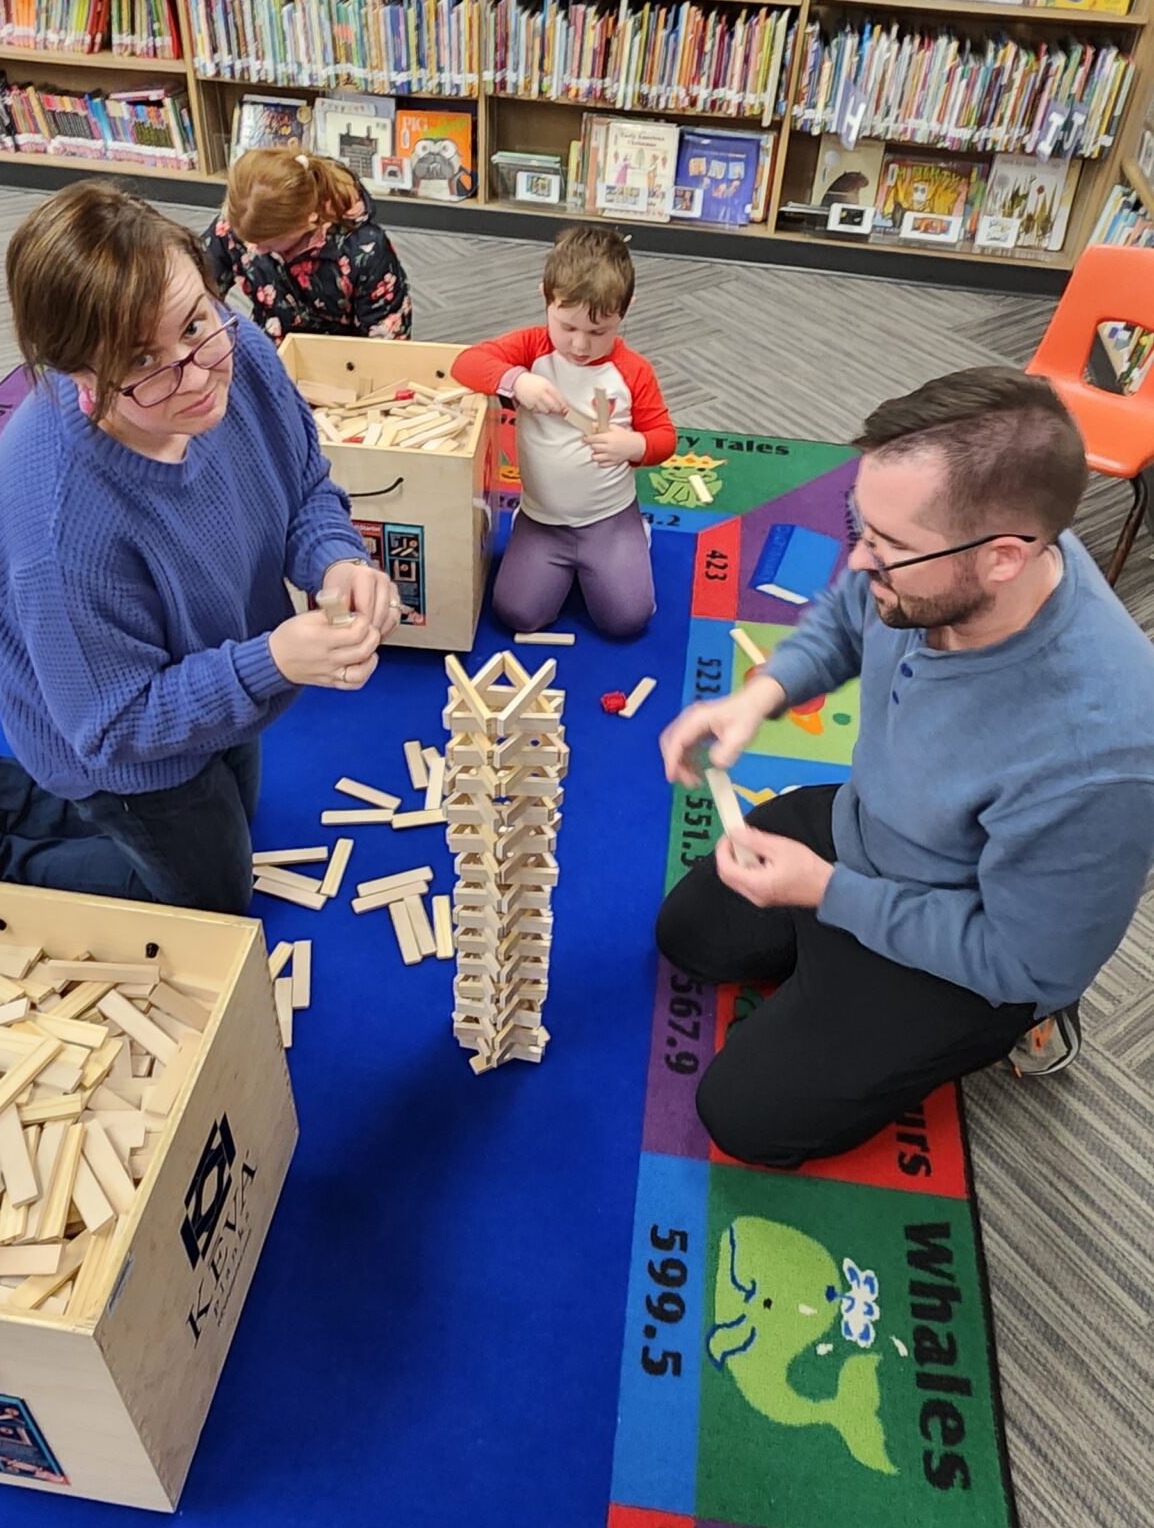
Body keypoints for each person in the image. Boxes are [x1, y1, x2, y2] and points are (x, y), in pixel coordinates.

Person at [657, 368, 1154, 1165]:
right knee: (690, 935)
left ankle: (1020, 1028)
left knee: (744, 1116)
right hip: (875, 826)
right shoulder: (945, 574)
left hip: (969, 943)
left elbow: (1022, 958)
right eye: (861, 525)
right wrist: (762, 694)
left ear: (1003, 559)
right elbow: (857, 611)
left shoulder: (1101, 761)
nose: (858, 559)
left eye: (889, 546)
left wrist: (828, 893)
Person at [0, 181, 400, 913]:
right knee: (211, 904)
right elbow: (113, 727)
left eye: (196, 321)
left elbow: (303, 483)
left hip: (210, 662)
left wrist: (336, 561)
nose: (199, 373)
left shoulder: (234, 351)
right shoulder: (60, 528)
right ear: (81, 377)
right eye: (142, 360)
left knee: (233, 811)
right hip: (107, 738)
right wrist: (269, 662)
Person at [452, 226, 676, 641]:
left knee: (627, 620)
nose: (580, 345)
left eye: (598, 331)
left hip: (609, 517)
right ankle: (534, 538)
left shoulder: (633, 371)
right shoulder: (532, 348)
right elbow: (465, 363)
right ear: (546, 298)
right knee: (517, 613)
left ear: (625, 311)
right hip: (542, 519)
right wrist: (516, 381)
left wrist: (635, 445)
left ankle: (636, 534)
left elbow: (665, 438)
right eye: (567, 326)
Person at [201, 146, 412, 344]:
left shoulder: (365, 250)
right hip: (270, 347)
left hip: (340, 357)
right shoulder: (241, 223)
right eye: (249, 238)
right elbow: (198, 289)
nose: (254, 249)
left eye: (269, 242)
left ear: (309, 218)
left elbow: (385, 343)